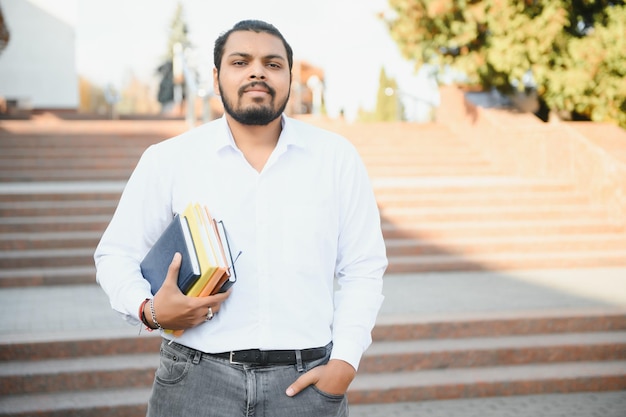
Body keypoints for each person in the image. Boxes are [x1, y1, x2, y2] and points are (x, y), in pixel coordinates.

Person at [94, 19, 387, 417]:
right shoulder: (168, 159)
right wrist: (149, 310)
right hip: (195, 381)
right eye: (240, 61)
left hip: (306, 383)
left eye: (272, 63)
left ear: (289, 76)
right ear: (217, 77)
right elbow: (115, 255)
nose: (256, 72)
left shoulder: (336, 158)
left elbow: (363, 267)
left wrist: (345, 363)